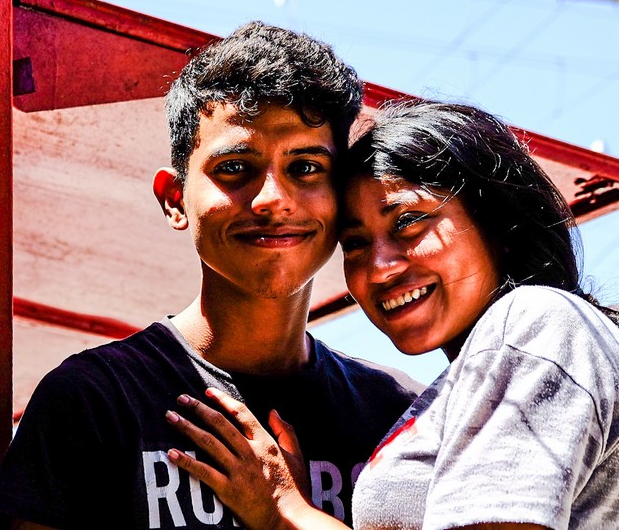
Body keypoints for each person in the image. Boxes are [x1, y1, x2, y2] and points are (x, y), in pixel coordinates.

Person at [0, 22, 424, 529]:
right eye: (234, 167)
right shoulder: (94, 399)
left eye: (305, 167)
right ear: (175, 199)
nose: (273, 200)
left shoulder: (400, 414)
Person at [165, 101, 619, 529]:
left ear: (499, 225)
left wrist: (286, 511)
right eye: (356, 244)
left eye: (407, 222)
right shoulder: (461, 381)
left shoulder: (538, 322)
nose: (380, 268)